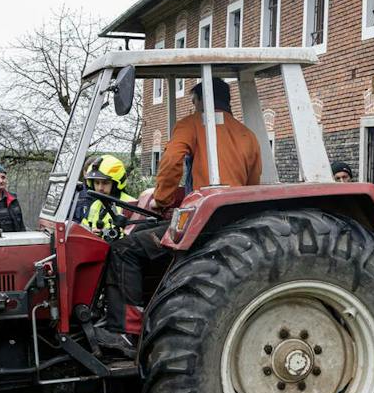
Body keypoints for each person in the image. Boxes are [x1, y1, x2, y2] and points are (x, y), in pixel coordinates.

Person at [89, 78, 261, 359]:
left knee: (125, 250)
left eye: (194, 102)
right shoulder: (248, 135)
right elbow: (253, 183)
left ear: (202, 101)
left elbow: (171, 161)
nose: (193, 108)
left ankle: (125, 330)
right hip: (232, 225)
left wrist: (163, 198)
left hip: (202, 226)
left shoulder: (194, 124)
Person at [78, 155, 136, 235]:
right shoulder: (95, 205)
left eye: (105, 183)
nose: (100, 188)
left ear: (116, 184)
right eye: (96, 182)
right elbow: (82, 230)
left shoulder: (130, 204)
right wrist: (90, 233)